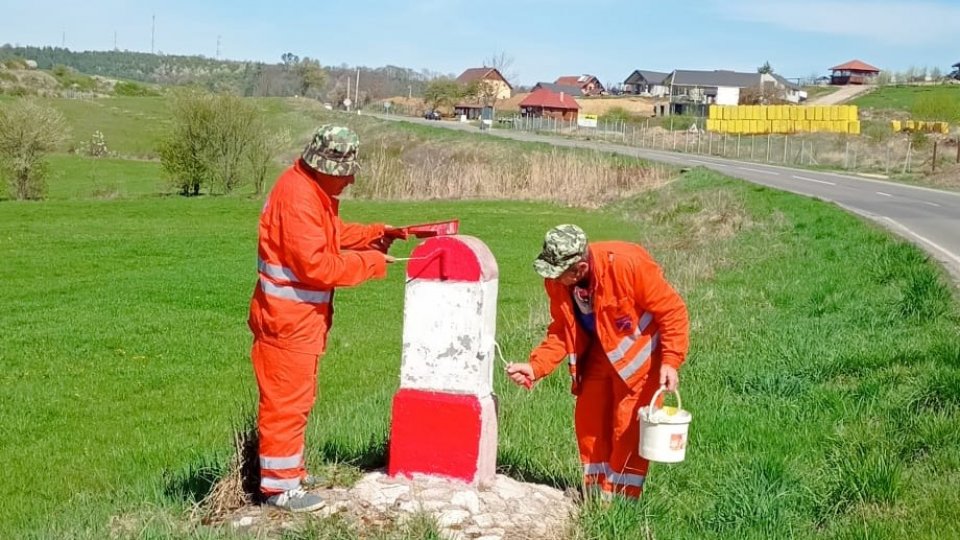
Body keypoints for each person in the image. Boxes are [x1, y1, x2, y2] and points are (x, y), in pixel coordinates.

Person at [248, 125, 401, 512]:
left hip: (298, 322)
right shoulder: (299, 198)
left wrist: (373, 234)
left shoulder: (308, 187)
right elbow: (318, 265)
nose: (350, 180)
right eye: (346, 171)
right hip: (287, 323)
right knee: (286, 403)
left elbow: (327, 235)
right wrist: (372, 262)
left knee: (298, 399)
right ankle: (280, 489)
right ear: (325, 166)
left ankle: (290, 473)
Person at [506, 224, 689, 500]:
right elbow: (561, 331)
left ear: (579, 268)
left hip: (642, 361)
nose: (553, 279)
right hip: (599, 357)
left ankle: (619, 504)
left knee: (627, 430)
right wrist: (535, 367)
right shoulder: (557, 282)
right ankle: (594, 497)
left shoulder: (628, 264)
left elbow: (672, 311)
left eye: (559, 274)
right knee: (589, 422)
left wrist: (671, 360)